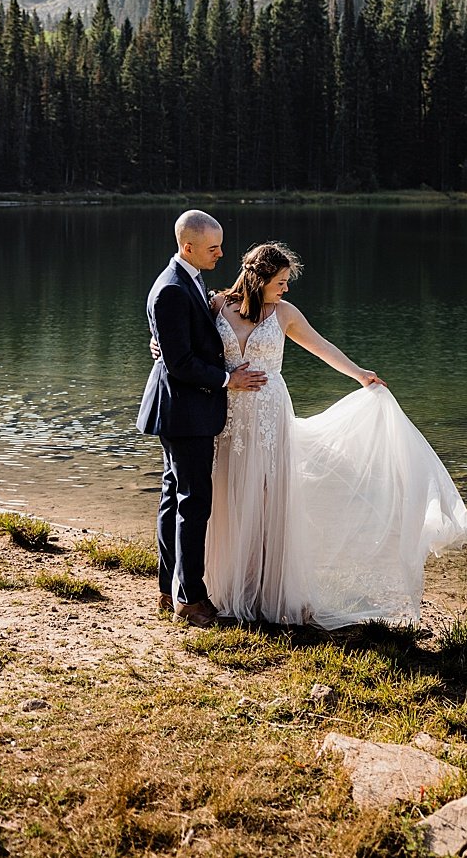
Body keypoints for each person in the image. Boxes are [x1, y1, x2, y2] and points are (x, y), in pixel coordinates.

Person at [204, 241, 467, 628]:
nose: (286, 288)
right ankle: (226, 590)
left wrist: (359, 374)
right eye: (281, 281)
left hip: (270, 416)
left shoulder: (285, 314)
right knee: (227, 499)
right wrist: (157, 345)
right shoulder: (216, 306)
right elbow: (181, 336)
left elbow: (321, 346)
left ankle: (267, 594)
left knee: (267, 503)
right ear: (259, 279)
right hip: (228, 417)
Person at [135, 210, 267, 628]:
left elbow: (176, 344)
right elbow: (181, 364)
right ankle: (189, 598)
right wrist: (229, 379)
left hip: (182, 410)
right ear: (187, 247)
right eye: (213, 248)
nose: (221, 253)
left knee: (175, 496)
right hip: (184, 412)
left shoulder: (186, 281)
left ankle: (167, 587)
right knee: (194, 503)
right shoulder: (171, 289)